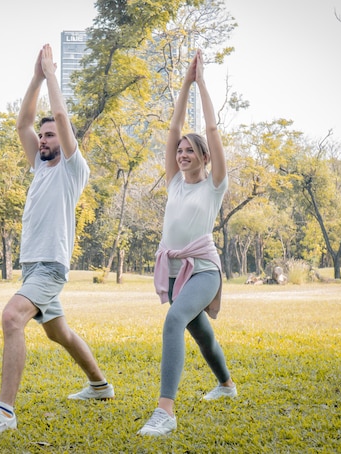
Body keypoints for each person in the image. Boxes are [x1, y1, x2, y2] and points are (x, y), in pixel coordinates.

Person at [0, 44, 114, 437]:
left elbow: (60, 115)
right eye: (42, 136)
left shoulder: (72, 169)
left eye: (51, 135)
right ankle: (100, 385)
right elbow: (22, 123)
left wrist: (51, 76)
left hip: (50, 265)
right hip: (33, 264)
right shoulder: (40, 167)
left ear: (64, 140)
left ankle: (4, 412)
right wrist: (34, 77)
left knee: (12, 318)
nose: (43, 139)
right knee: (57, 331)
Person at [137, 49, 236, 437]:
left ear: (204, 158)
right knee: (201, 332)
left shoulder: (214, 185)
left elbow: (211, 131)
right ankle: (226, 385)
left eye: (189, 150)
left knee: (175, 320)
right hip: (176, 271)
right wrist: (183, 83)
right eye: (179, 150)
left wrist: (203, 85)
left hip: (204, 270)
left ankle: (165, 411)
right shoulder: (174, 181)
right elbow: (174, 127)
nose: (181, 153)